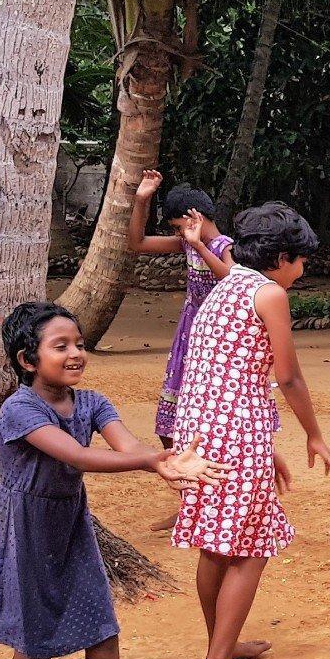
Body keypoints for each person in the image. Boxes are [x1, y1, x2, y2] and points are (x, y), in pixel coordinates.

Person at [0, 303, 228, 659]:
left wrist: (162, 462)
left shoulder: (92, 402)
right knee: (35, 647)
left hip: (71, 526)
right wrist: (151, 461)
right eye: (61, 347)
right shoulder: (20, 409)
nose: (76, 353)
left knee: (103, 632)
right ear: (27, 360)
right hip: (27, 531)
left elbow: (127, 446)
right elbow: (77, 455)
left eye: (78, 343)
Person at [172, 202, 330, 659]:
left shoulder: (224, 286)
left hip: (200, 432)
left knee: (215, 545)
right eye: (301, 261)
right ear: (282, 256)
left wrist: (264, 447)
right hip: (234, 431)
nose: (302, 271)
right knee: (250, 550)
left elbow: (225, 377)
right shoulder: (269, 294)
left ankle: (220, 649)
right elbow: (286, 375)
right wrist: (313, 434)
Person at [129, 170, 235, 532]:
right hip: (188, 338)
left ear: (195, 218)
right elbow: (137, 243)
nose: (178, 234)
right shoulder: (187, 244)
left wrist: (201, 245)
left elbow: (232, 280)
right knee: (169, 423)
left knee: (210, 422)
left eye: (178, 226)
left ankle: (210, 501)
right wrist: (142, 199)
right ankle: (190, 499)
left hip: (216, 342)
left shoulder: (223, 246)